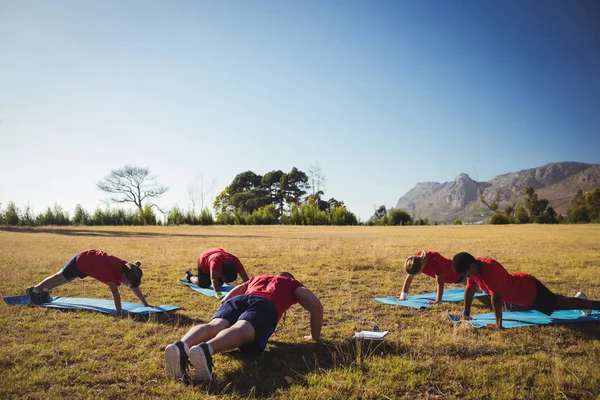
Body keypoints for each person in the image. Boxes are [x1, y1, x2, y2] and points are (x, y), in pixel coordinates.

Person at [165, 272, 323, 383]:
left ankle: (181, 345)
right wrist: (315, 337)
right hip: (264, 304)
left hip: (240, 299)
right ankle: (206, 350)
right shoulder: (291, 283)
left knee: (214, 325)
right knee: (243, 328)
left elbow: (225, 299)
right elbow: (316, 306)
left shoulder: (258, 278)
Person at [452, 252, 600, 329]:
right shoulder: (474, 271)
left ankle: (595, 305)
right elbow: (469, 290)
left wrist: (498, 325)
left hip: (528, 291)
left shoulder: (488, 269)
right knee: (556, 301)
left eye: (466, 274)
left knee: (557, 305)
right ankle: (582, 299)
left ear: (471, 266)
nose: (467, 278)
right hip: (522, 293)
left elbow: (495, 299)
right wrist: (466, 313)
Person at [26, 249, 151, 313]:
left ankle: (42, 291)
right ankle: (35, 290)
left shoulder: (127, 268)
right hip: (82, 261)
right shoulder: (112, 274)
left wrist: (145, 304)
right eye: (127, 283)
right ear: (125, 277)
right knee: (60, 278)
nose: (127, 285)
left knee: (64, 280)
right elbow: (115, 294)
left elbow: (134, 286)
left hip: (89, 262)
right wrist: (119, 312)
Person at [399, 250, 466, 304]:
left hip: (458, 275)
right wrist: (403, 296)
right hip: (450, 277)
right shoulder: (415, 261)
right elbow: (409, 278)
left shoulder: (434, 260)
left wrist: (438, 300)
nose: (416, 275)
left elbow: (440, 283)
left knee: (474, 287)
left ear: (421, 267)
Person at [185, 248, 250, 299]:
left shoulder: (235, 260)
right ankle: (189, 276)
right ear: (220, 274)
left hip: (217, 253)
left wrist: (250, 288)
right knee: (204, 284)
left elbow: (244, 275)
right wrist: (218, 293)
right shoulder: (215, 262)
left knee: (218, 285)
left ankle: (218, 281)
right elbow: (213, 278)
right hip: (204, 258)